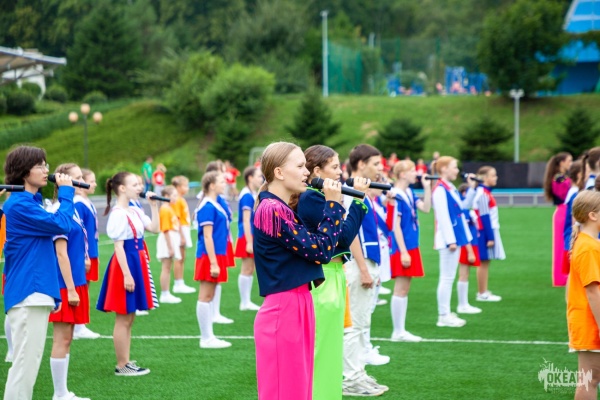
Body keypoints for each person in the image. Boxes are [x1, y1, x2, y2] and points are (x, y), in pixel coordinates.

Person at [253, 142, 344, 400]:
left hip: (297, 303)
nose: (307, 172)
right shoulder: (272, 210)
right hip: (284, 308)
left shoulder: (280, 208)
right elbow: (321, 251)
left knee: (299, 390)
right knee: (287, 392)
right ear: (279, 172)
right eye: (300, 166)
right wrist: (333, 205)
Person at [294, 145, 369, 400]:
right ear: (317, 171)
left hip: (334, 272)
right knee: (322, 347)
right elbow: (343, 237)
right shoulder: (312, 198)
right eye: (335, 167)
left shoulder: (320, 197)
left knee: (331, 346)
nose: (340, 172)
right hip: (323, 275)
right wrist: (358, 201)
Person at [3, 146, 74, 400]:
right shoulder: (20, 205)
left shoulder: (28, 202)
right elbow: (62, 224)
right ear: (24, 172)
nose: (46, 170)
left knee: (27, 366)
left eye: (46, 165)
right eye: (40, 166)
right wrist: (66, 193)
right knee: (24, 368)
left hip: (35, 291)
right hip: (28, 293)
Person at [96, 172, 159, 376]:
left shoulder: (135, 209)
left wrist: (154, 206)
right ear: (122, 188)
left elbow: (155, 228)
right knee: (123, 317)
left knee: (130, 316)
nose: (139, 187)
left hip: (136, 261)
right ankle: (122, 364)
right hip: (126, 264)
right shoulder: (118, 214)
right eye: (135, 184)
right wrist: (127, 274)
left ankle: (126, 360)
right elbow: (119, 247)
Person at [342, 144, 389, 397]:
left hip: (367, 263)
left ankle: (358, 374)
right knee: (354, 325)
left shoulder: (362, 191)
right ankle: (351, 379)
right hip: (357, 264)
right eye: (375, 163)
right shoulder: (351, 191)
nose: (380, 169)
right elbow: (351, 234)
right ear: (361, 164)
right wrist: (363, 268)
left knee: (362, 322)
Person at [48, 163, 92, 400]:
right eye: (77, 177)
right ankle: (59, 393)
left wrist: (84, 257)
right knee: (62, 338)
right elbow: (60, 253)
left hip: (75, 281)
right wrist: (72, 289)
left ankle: (63, 391)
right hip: (65, 284)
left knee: (68, 338)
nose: (82, 181)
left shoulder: (71, 207)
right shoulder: (59, 209)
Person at [387, 160, 432, 342]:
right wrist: (404, 252)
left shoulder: (409, 192)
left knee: (405, 288)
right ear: (403, 174)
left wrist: (427, 188)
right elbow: (395, 225)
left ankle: (400, 330)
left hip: (411, 245)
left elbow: (426, 208)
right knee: (400, 288)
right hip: (402, 247)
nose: (416, 173)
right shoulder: (396, 194)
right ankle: (398, 332)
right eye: (412, 170)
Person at [431, 156, 477, 328]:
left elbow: (464, 207)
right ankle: (443, 315)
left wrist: (471, 188)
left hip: (455, 237)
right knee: (447, 277)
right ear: (444, 169)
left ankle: (446, 313)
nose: (457, 171)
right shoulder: (440, 190)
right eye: (454, 167)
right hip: (448, 240)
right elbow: (443, 217)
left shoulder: (449, 187)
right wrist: (450, 241)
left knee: (449, 277)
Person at [566, 190, 600, 400]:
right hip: (591, 323)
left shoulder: (588, 243)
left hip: (589, 320)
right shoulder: (588, 247)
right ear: (592, 215)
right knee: (590, 380)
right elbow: (592, 291)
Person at [194, 171, 234, 349]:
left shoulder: (214, 203)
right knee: (205, 295)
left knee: (210, 294)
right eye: (221, 182)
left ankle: (209, 336)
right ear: (211, 185)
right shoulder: (207, 206)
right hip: (209, 256)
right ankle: (206, 338)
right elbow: (207, 236)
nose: (225, 184)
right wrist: (213, 263)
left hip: (217, 254)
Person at [73, 168, 101, 340]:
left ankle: (79, 324)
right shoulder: (78, 203)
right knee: (81, 287)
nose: (95, 184)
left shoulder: (86, 201)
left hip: (91, 250)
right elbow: (79, 233)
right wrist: (85, 255)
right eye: (91, 180)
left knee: (85, 288)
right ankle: (78, 326)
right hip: (85, 252)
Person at [473, 166, 506, 302]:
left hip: (487, 230)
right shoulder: (483, 194)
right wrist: (490, 237)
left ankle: (484, 291)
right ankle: (482, 293)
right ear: (485, 178)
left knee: (486, 262)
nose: (495, 178)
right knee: (483, 262)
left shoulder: (485, 192)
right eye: (493, 175)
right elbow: (484, 217)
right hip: (484, 231)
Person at [235, 166, 263, 311]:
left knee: (250, 269)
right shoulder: (246, 195)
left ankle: (246, 301)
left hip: (251, 235)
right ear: (250, 178)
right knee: (246, 268)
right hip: (247, 236)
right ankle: (244, 302)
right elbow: (246, 220)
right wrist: (249, 242)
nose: (261, 179)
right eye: (258, 176)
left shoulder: (251, 193)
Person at [543, 152, 572, 287]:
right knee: (561, 246)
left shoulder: (562, 177)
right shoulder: (559, 179)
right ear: (561, 162)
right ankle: (561, 277)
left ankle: (564, 275)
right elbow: (564, 196)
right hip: (563, 211)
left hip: (564, 211)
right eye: (569, 161)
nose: (570, 164)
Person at [456, 183, 482, 315]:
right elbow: (463, 231)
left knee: (466, 274)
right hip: (467, 245)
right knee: (463, 274)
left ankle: (464, 303)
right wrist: (470, 251)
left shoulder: (467, 209)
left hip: (471, 243)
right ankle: (462, 304)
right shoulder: (464, 210)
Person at [157, 185, 183, 304]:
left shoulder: (169, 208)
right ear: (166, 196)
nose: (176, 198)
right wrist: (170, 247)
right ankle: (164, 293)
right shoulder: (165, 209)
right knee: (166, 268)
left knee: (168, 267)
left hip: (172, 238)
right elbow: (165, 229)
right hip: (168, 239)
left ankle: (166, 292)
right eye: (174, 195)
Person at [171, 175, 196, 294]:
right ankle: (178, 283)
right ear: (178, 187)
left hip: (184, 228)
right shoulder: (177, 199)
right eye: (185, 186)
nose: (187, 188)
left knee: (182, 257)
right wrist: (181, 235)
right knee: (179, 257)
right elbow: (177, 218)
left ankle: (180, 282)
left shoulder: (180, 199)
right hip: (180, 230)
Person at [563, 161, 583, 275]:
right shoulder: (575, 193)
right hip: (575, 240)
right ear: (579, 174)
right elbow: (574, 222)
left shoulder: (575, 192)